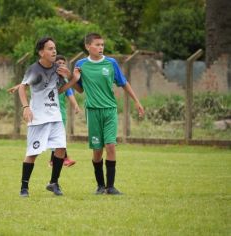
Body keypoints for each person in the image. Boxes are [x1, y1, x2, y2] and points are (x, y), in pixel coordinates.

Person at [72, 33, 144, 195]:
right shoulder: (80, 64)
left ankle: (110, 187)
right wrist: (71, 78)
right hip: (92, 111)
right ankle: (100, 186)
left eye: (102, 45)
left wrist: (137, 101)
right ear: (87, 46)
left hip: (110, 110)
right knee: (97, 150)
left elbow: (123, 83)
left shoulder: (111, 63)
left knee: (110, 146)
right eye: (97, 45)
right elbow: (80, 88)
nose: (100, 48)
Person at [18, 37, 78, 197]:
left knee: (60, 148)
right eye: (50, 48)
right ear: (41, 52)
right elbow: (22, 88)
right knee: (32, 153)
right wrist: (26, 107)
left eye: (55, 48)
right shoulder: (34, 70)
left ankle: (54, 182)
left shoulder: (57, 69)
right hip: (38, 119)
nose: (54, 51)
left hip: (55, 116)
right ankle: (24, 187)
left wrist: (73, 78)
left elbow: (60, 90)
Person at [7, 55, 81, 167]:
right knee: (44, 145)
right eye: (59, 62)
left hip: (59, 114)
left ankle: (57, 164)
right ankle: (58, 160)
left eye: (63, 63)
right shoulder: (45, 74)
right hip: (43, 114)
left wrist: (75, 105)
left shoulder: (63, 79)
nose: (61, 65)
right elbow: (31, 82)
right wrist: (19, 87)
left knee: (59, 140)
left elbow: (70, 92)